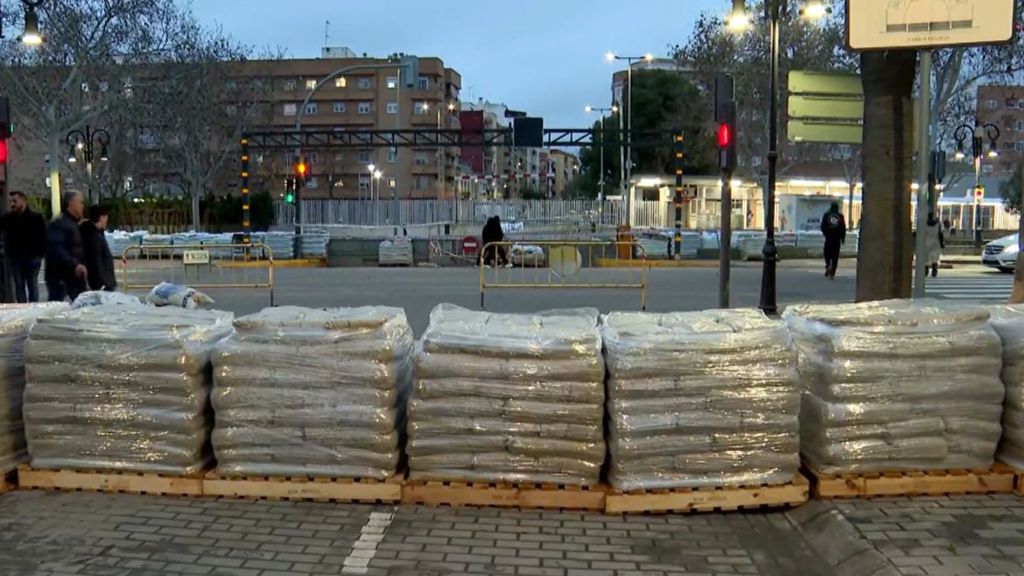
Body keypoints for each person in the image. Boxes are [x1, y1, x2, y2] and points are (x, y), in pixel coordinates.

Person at [0, 191, 46, 303]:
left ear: (23, 201)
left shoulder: (36, 218)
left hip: (32, 258)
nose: (12, 204)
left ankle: (33, 308)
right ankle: (23, 309)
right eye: (11, 201)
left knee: (32, 285)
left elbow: (43, 236)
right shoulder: (8, 218)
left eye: (15, 201)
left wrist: (39, 253)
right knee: (19, 286)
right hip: (15, 258)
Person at [45, 191, 88, 302]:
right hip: (61, 277)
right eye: (81, 202)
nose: (83, 206)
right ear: (71, 203)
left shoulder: (75, 224)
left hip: (75, 276)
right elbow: (56, 249)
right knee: (58, 307)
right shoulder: (59, 224)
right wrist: (74, 264)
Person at [80, 205, 117, 291]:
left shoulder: (95, 233)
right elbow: (96, 261)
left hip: (102, 281)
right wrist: (105, 283)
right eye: (106, 217)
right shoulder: (94, 236)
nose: (107, 221)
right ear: (101, 217)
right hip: (101, 283)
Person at [820, 201, 847, 279]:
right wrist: (843, 238)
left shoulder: (826, 215)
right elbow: (843, 228)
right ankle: (832, 273)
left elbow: (822, 226)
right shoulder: (840, 216)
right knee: (835, 256)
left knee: (827, 253)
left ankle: (828, 265)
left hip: (829, 238)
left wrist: (826, 234)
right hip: (837, 239)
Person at [925, 213, 945, 278]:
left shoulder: (924, 224)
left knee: (926, 258)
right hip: (935, 242)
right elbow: (940, 234)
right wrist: (942, 243)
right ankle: (934, 270)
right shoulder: (937, 224)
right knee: (935, 258)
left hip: (926, 242)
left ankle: (926, 269)